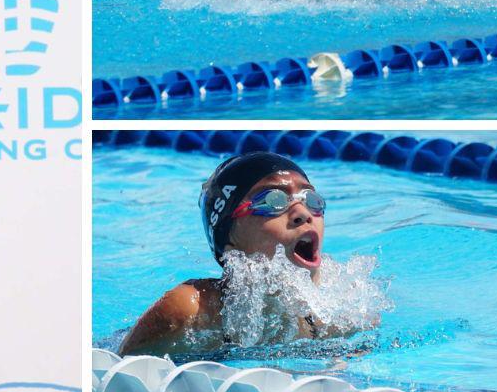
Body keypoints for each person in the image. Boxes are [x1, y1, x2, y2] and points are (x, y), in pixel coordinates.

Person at [119, 152, 341, 357]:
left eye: (310, 199)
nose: (303, 213)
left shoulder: (337, 309)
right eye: (273, 201)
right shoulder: (193, 311)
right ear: (230, 242)